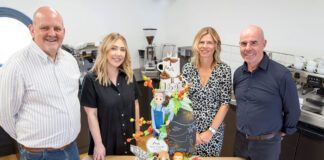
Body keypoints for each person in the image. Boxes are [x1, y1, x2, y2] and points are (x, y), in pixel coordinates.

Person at [0, 6, 81, 160]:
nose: (52, 33)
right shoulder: (16, 65)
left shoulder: (70, 60)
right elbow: (4, 115)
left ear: (63, 32)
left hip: (72, 148)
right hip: (39, 155)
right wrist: (31, 141)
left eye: (57, 28)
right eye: (45, 28)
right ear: (32, 30)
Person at [233, 25, 301, 160]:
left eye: (253, 43)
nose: (248, 48)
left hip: (267, 145)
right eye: (243, 43)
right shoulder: (238, 74)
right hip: (240, 141)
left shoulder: (281, 75)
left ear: (264, 44)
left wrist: (283, 131)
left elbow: (293, 110)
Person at [80, 33, 140, 160]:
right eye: (114, 48)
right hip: (105, 143)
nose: (118, 53)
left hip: (129, 139)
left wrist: (138, 132)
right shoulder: (91, 79)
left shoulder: (129, 76)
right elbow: (91, 115)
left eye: (122, 49)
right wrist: (98, 144)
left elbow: (135, 104)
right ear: (104, 50)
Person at [182, 27, 232, 157]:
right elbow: (182, 101)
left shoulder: (224, 69)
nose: (205, 46)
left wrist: (210, 131)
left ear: (216, 46)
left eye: (209, 42)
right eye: (201, 42)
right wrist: (192, 131)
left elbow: (225, 104)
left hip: (213, 131)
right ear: (196, 45)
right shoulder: (187, 68)